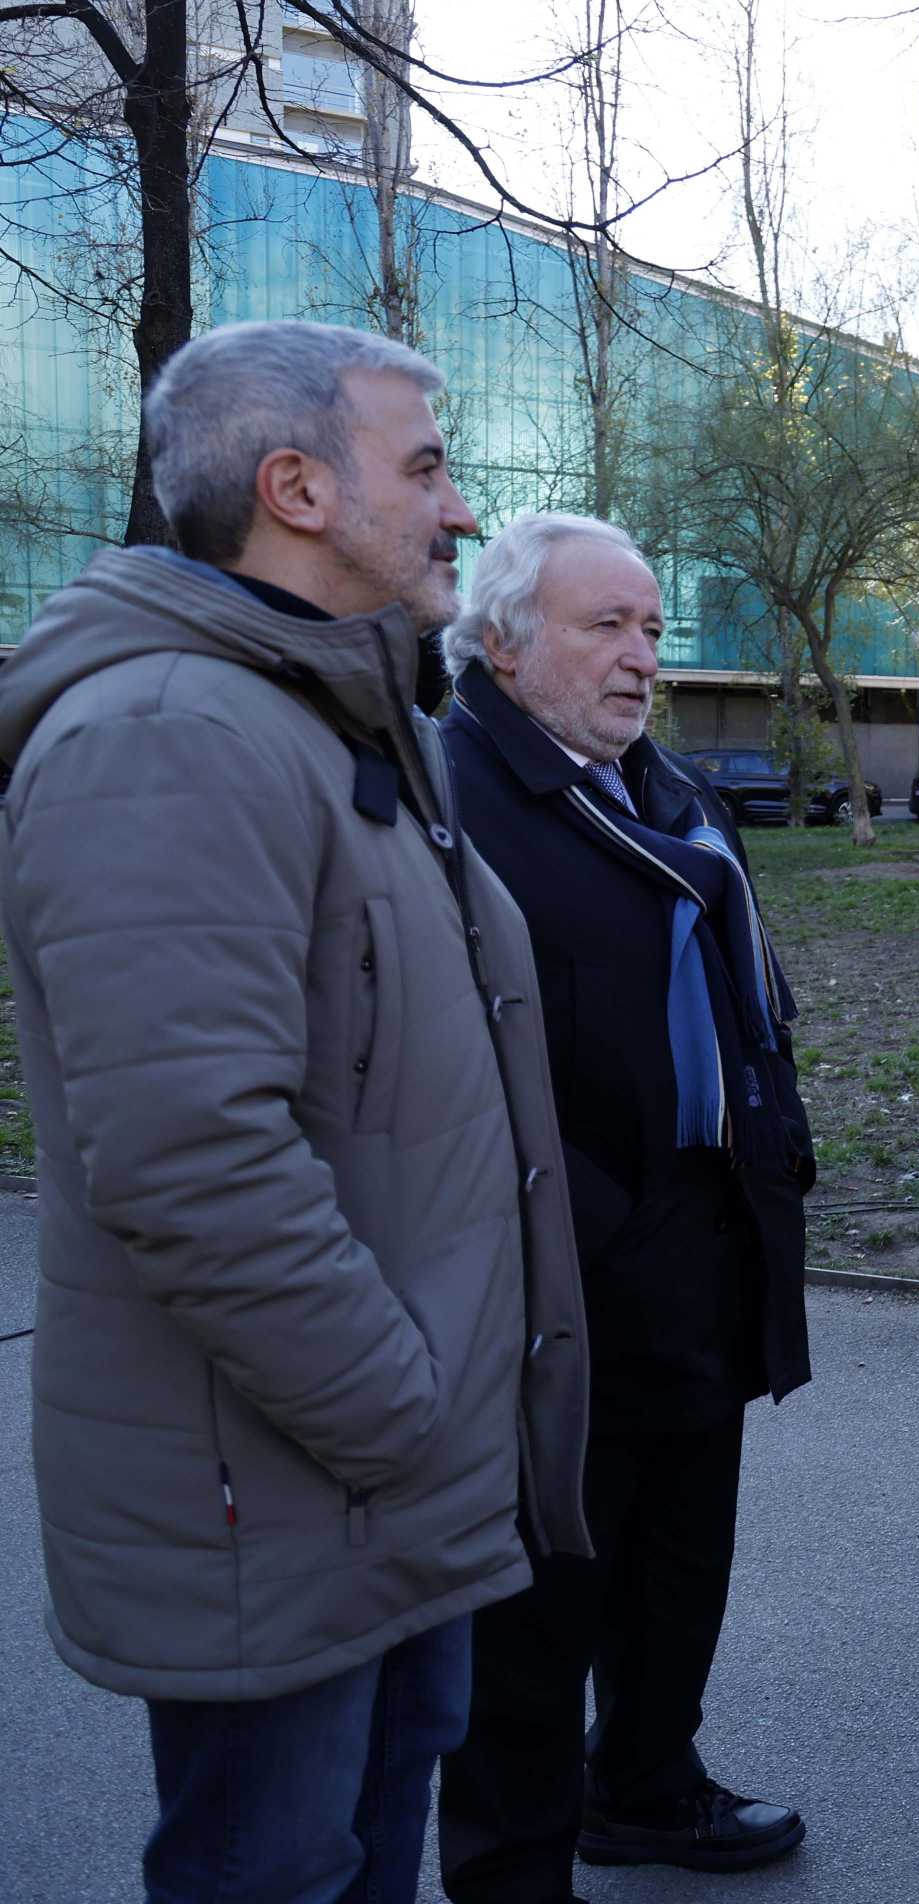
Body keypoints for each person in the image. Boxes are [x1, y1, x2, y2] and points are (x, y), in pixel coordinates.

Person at [0, 319, 590, 1903]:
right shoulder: (170, 737)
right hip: (291, 1486)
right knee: (273, 1870)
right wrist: (402, 1412)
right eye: (427, 468)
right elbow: (192, 1165)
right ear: (298, 491)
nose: (460, 508)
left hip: (377, 1485)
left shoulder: (330, 719)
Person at [434, 515, 815, 1894]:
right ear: (504, 641)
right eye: (606, 626)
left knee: (679, 1555)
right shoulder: (453, 798)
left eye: (651, 628)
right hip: (558, 1268)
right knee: (537, 1608)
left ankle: (649, 1784)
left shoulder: (662, 786)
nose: (643, 656)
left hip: (707, 1239)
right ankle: (512, 1868)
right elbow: (446, 1073)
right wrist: (599, 1220)